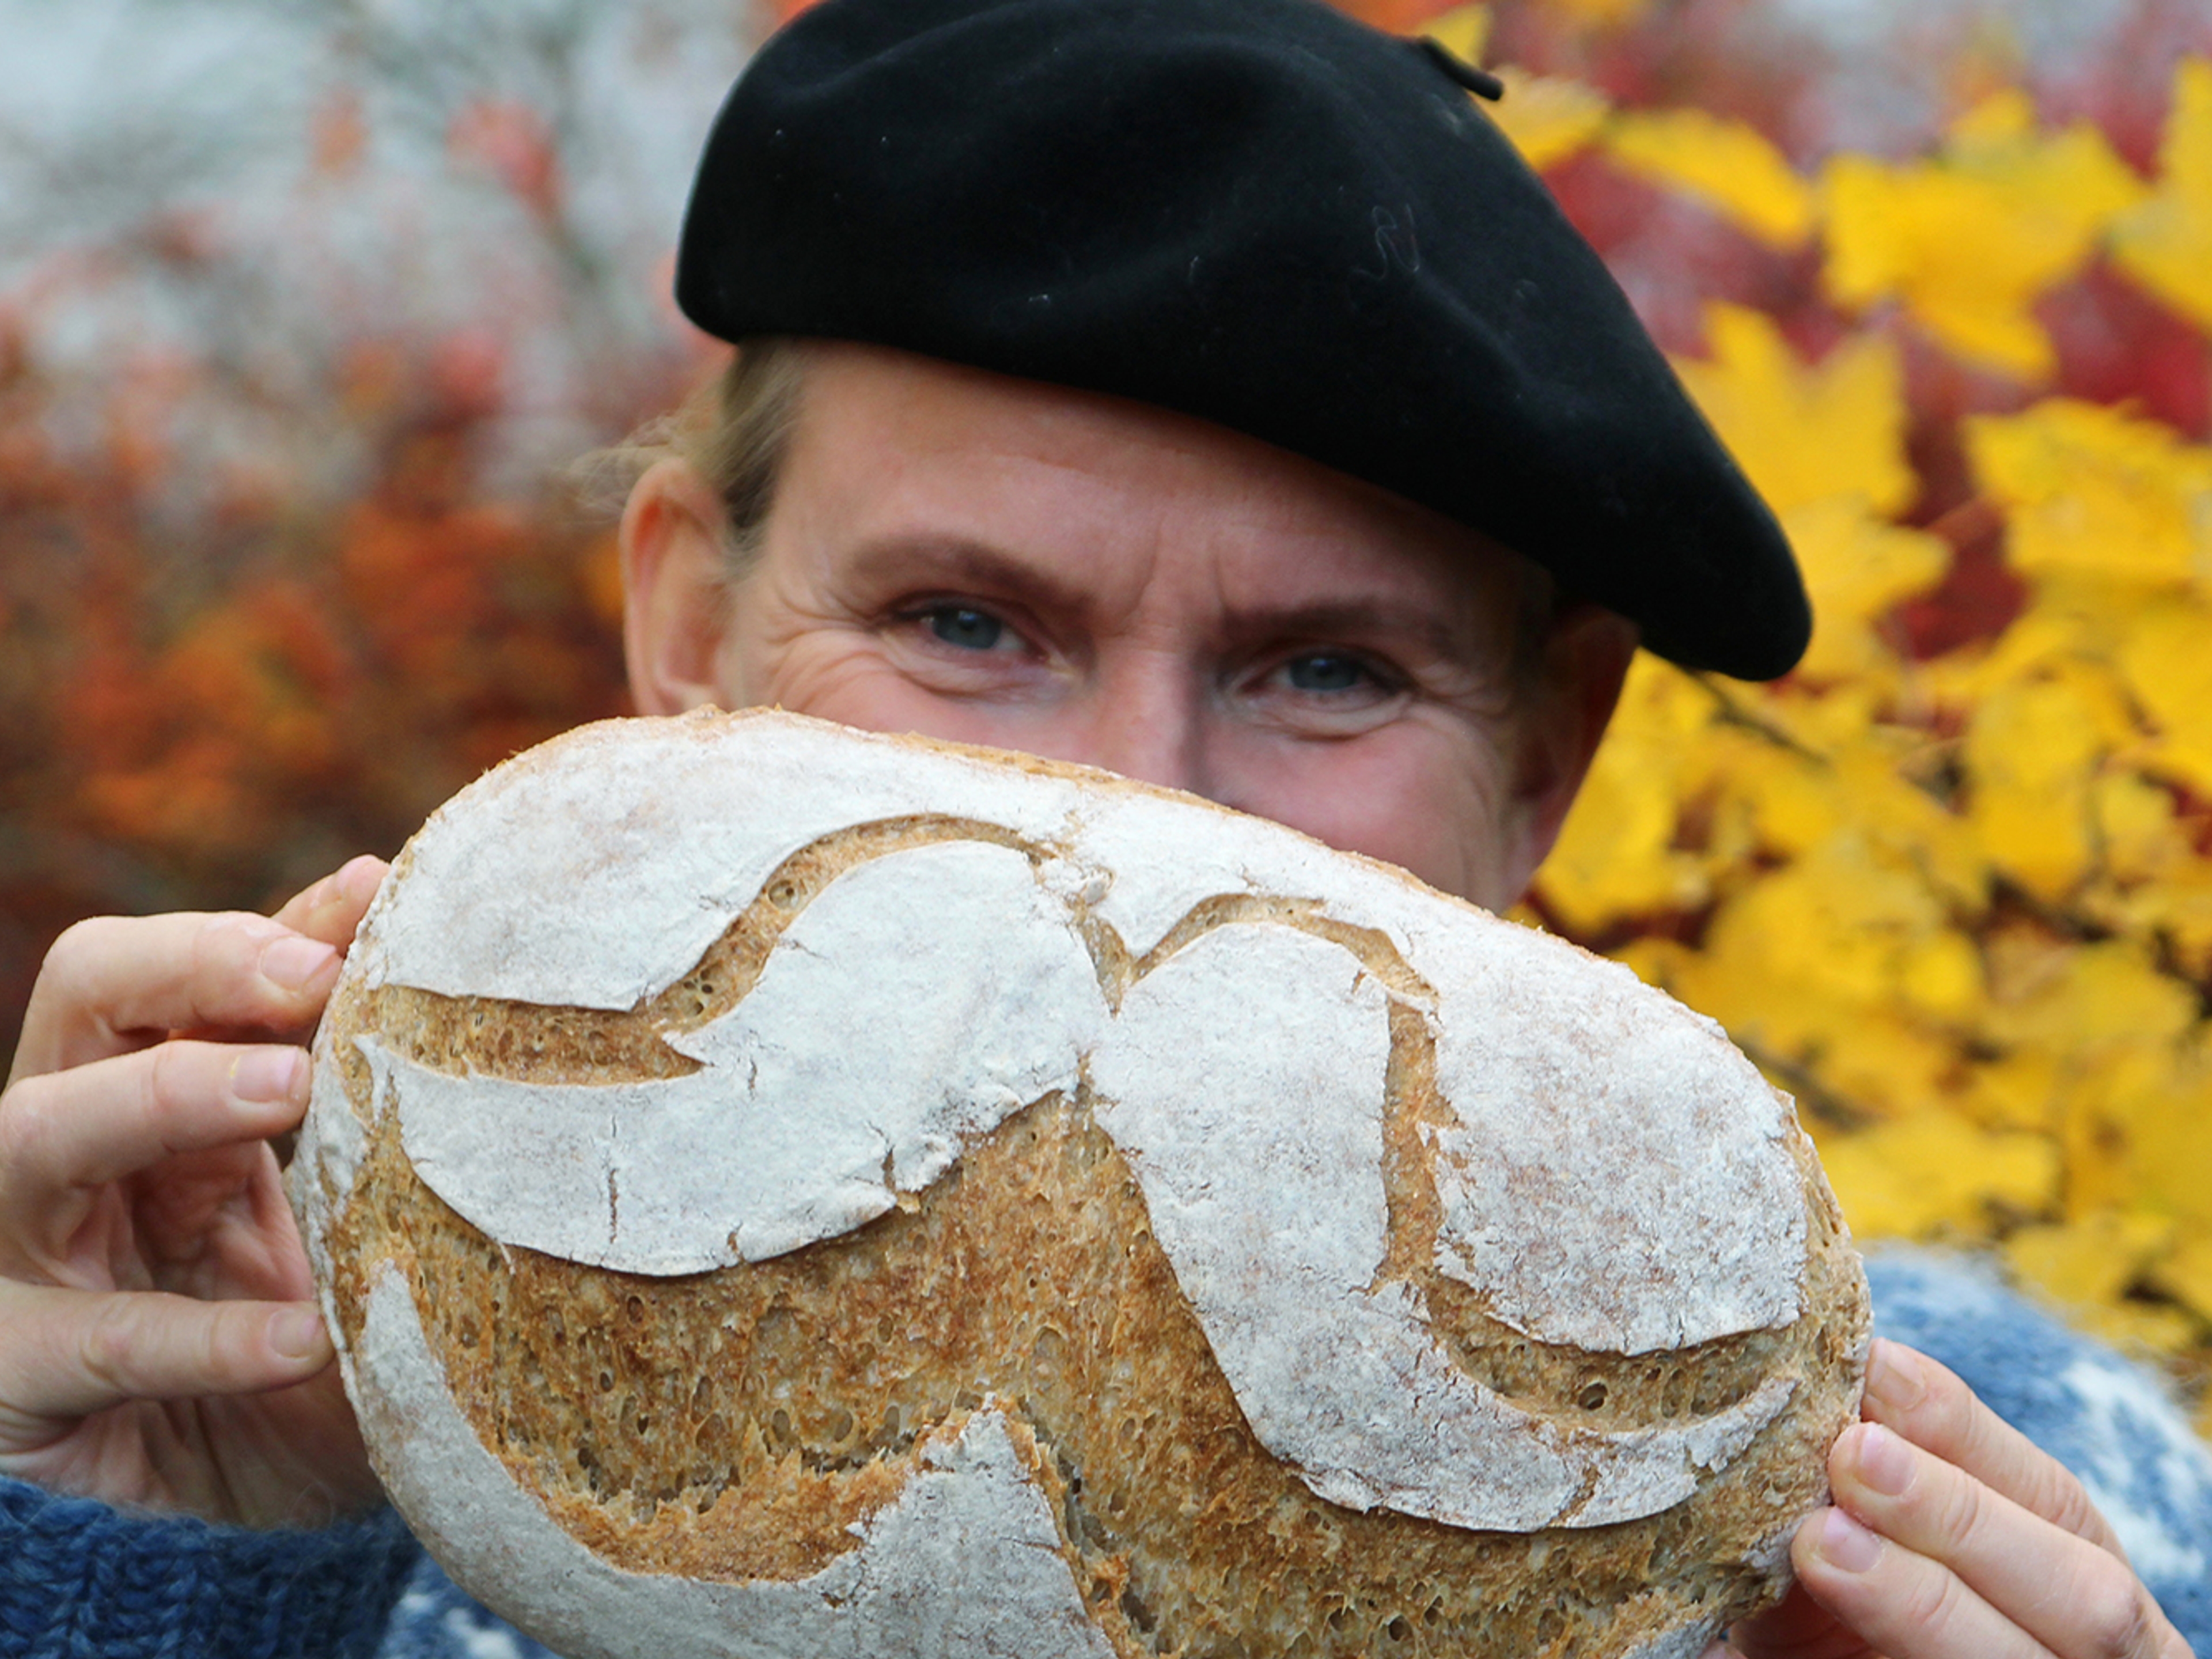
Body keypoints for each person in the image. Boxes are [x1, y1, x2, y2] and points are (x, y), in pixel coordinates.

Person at [2, 0, 2206, 1655]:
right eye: (964, 621)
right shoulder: (343, 1396)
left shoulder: (1966, 1499)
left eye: (1327, 667)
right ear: (686, 624)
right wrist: (146, 1563)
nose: (1140, 789)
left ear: (1546, 756)